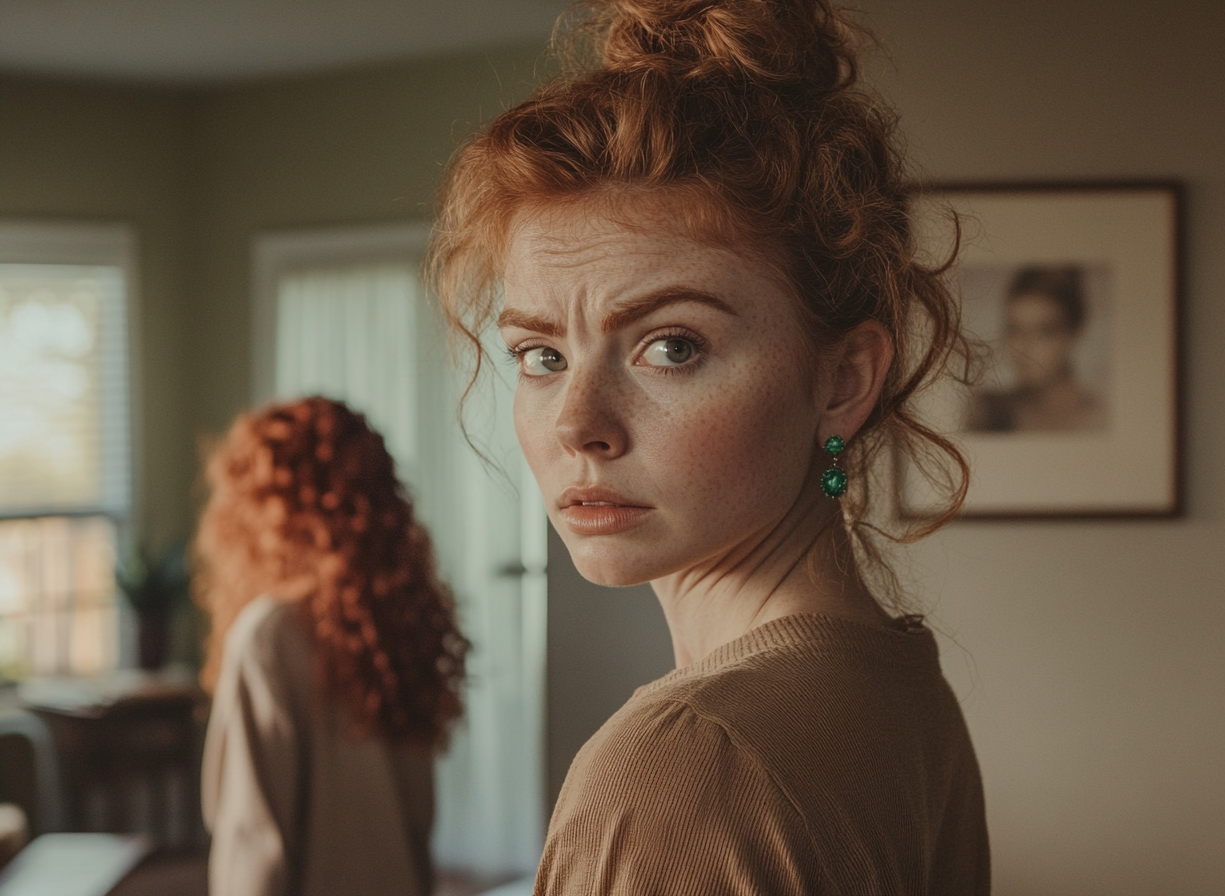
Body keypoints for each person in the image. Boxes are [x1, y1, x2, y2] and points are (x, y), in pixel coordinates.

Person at [432, 0, 990, 892]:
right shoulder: (897, 680)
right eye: (540, 355)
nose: (578, 422)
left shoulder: (680, 767)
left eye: (672, 346)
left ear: (842, 379)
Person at [195, 396, 468, 896]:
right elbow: (416, 820)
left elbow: (254, 841)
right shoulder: (393, 625)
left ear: (262, 504)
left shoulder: (268, 635)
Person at [965, 265, 1106, 433]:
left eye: (1043, 332)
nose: (1025, 347)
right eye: (1015, 331)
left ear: (1073, 333)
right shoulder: (987, 413)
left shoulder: (1099, 420)